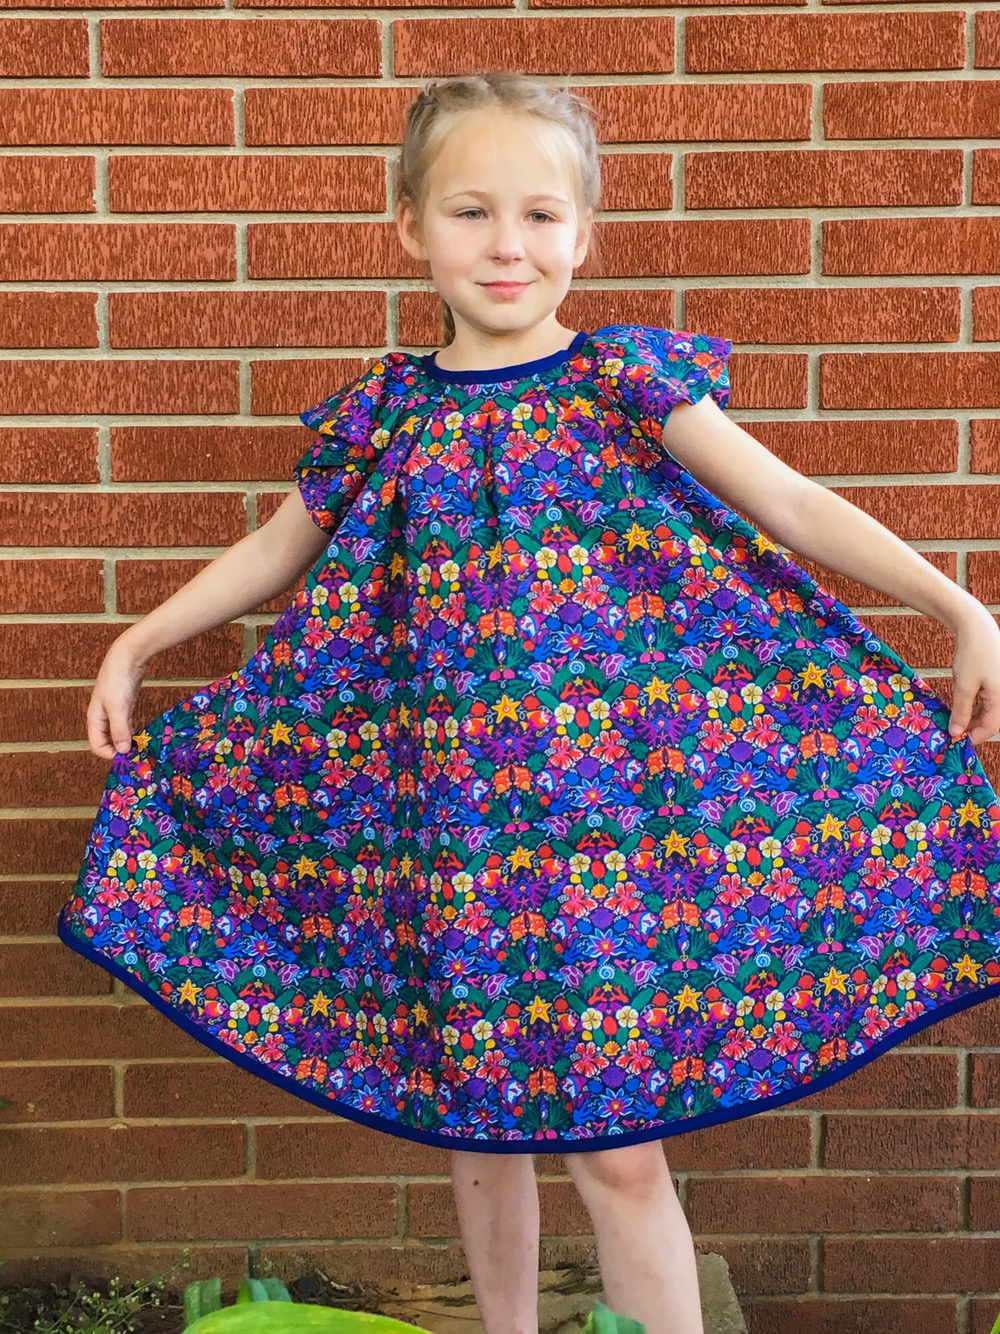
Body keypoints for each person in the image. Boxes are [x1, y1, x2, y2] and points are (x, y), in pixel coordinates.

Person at [56, 70, 1000, 1334]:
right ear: (409, 225)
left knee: (620, 1154)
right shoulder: (387, 412)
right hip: (450, 828)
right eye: (471, 211)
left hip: (604, 840)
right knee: (476, 1126)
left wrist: (958, 607)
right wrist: (139, 639)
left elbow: (788, 501)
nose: (508, 245)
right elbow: (278, 550)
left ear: (584, 234)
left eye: (541, 215)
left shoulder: (622, 382)